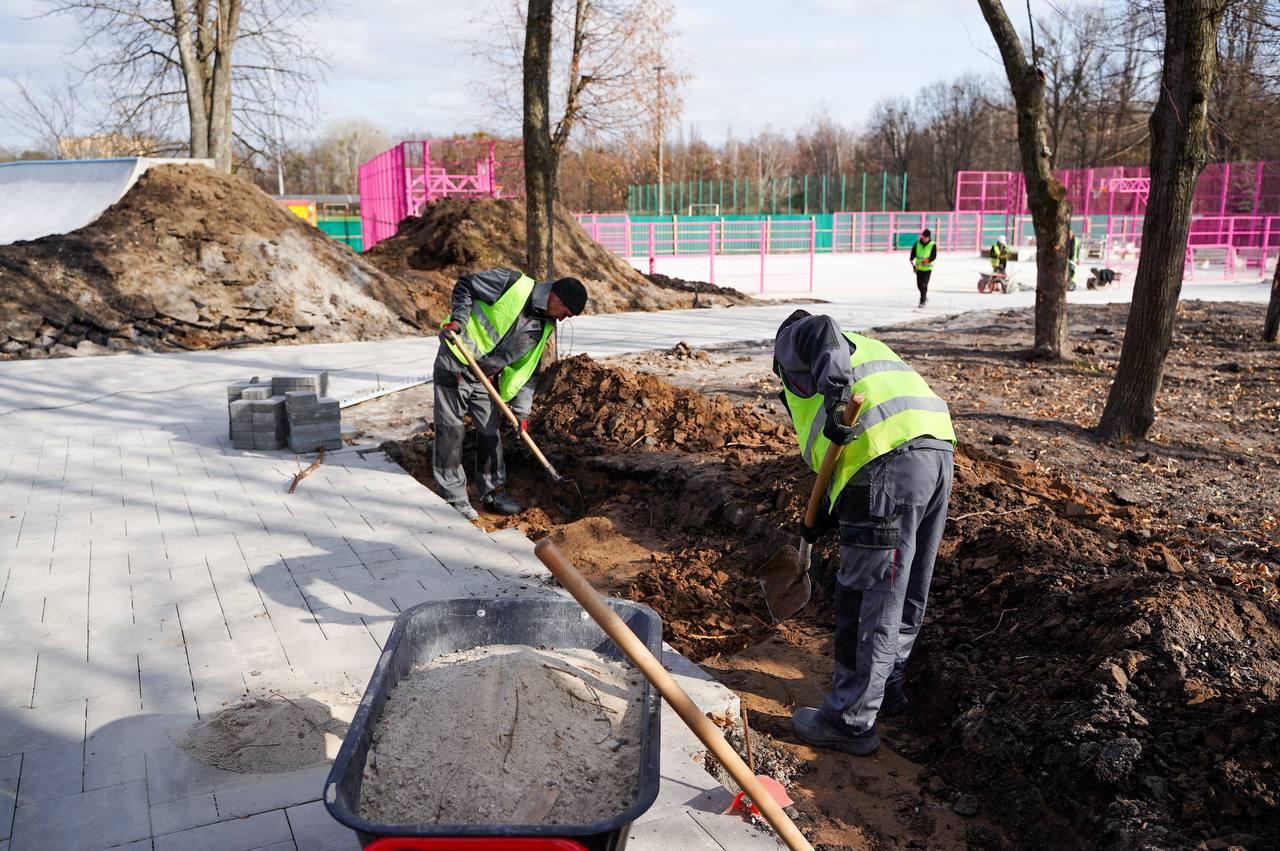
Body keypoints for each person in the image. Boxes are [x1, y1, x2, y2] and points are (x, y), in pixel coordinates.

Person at [772, 309, 955, 756]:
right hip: (934, 449)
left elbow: (818, 328)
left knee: (868, 593)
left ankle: (849, 720)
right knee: (906, 583)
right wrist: (828, 516)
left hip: (887, 462)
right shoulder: (866, 349)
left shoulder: (795, 340)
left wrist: (835, 399)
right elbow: (834, 461)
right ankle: (885, 684)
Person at [434, 268, 588, 520]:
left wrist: (521, 411)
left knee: (489, 432)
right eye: (565, 313)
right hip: (457, 359)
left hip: (484, 377)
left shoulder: (544, 327)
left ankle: (492, 493)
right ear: (556, 298)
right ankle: (454, 497)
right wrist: (459, 321)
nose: (562, 319)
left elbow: (526, 372)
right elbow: (465, 285)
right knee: (451, 429)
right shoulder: (513, 284)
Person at [909, 229, 937, 307]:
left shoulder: (932, 244)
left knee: (924, 285)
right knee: (919, 285)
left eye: (926, 237)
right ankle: (924, 297)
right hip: (918, 268)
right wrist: (912, 263)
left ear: (929, 237)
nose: (925, 238)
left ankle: (922, 300)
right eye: (924, 237)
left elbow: (933, 256)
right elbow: (913, 254)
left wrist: (927, 260)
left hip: (927, 269)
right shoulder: (917, 243)